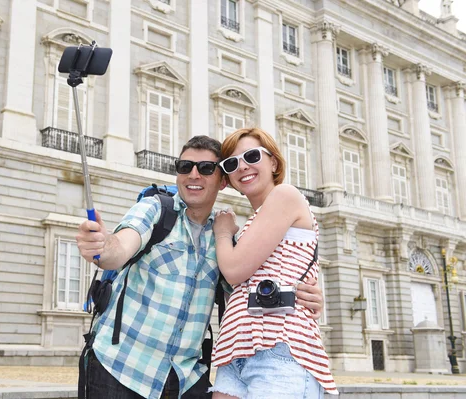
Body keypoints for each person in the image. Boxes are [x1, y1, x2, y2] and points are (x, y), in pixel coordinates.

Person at [76, 135, 324, 399]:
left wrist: (302, 294)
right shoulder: (155, 209)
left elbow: (247, 291)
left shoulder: (226, 237)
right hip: (121, 369)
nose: (194, 174)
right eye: (185, 167)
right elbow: (121, 247)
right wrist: (103, 247)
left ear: (223, 181)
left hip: (185, 379)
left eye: (206, 168)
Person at [210, 128, 338, 398]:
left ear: (274, 162)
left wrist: (222, 232)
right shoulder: (253, 222)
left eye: (252, 156)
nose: (242, 166)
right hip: (236, 350)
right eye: (231, 163)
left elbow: (233, 271)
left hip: (280, 348)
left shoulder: (285, 195)